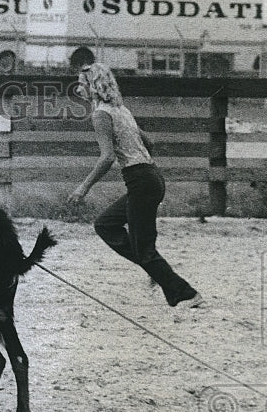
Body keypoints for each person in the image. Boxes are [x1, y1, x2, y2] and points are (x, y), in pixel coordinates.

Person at [68, 62, 204, 308]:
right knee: (105, 224)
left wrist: (83, 187)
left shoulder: (101, 115)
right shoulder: (121, 110)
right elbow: (149, 141)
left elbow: (107, 157)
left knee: (144, 248)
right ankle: (156, 270)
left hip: (141, 182)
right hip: (150, 177)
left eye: (81, 83)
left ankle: (185, 294)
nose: (79, 88)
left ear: (92, 86)